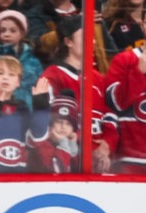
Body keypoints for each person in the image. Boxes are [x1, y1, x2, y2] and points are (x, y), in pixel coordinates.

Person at [41, 16, 117, 173]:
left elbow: (110, 117)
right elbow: (51, 123)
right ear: (68, 42)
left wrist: (107, 145)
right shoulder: (52, 76)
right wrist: (90, 147)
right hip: (68, 162)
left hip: (99, 163)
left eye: (93, 38)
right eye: (85, 37)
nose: (93, 42)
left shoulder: (98, 78)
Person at [0, 57, 51, 172]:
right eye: (0, 73)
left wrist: (41, 107)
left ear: (18, 82)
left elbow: (37, 139)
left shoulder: (23, 111)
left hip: (16, 178)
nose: (5, 77)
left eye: (12, 74)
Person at [0, 10, 42, 110]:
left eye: (13, 30)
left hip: (25, 114)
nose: (7, 34)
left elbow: (38, 89)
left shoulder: (33, 62)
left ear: (22, 33)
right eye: (3, 30)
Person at [103, 41, 146, 173]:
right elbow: (115, 104)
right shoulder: (125, 59)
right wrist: (139, 72)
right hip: (130, 161)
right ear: (143, 24)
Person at [30, 89, 78, 172]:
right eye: (59, 122)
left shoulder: (72, 145)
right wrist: (64, 143)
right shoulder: (42, 147)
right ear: (51, 125)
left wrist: (72, 146)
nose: (63, 127)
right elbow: (59, 171)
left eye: (68, 124)